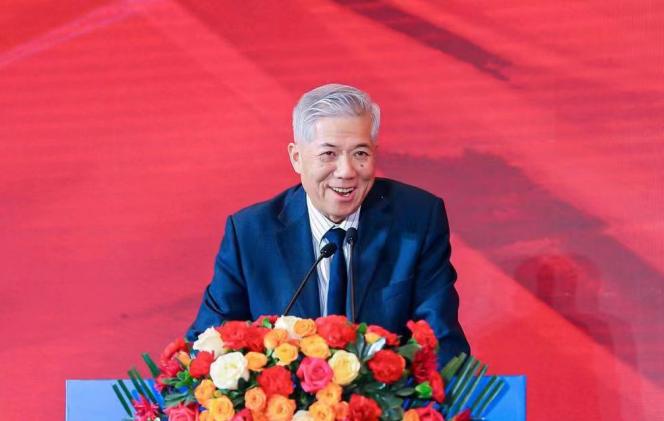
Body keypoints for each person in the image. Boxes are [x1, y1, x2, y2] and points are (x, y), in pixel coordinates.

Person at [187, 83, 470, 364]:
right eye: (328, 154)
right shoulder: (250, 235)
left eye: (360, 154)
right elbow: (204, 350)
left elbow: (443, 346)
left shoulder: (418, 220)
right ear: (297, 158)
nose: (346, 172)